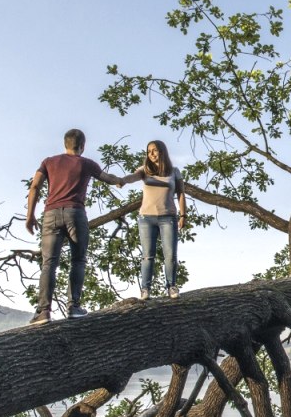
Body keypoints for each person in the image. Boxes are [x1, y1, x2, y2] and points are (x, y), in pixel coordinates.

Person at [24, 128, 130, 324]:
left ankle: (43, 311)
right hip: (76, 213)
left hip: (51, 214)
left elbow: (35, 186)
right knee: (78, 261)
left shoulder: (48, 162)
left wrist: (30, 215)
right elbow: (107, 178)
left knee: (49, 264)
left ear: (65, 144)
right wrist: (120, 181)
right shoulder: (87, 164)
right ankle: (73, 307)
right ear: (83, 146)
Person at [121, 140, 188, 298]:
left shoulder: (174, 171)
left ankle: (171, 286)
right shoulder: (145, 170)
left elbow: (181, 194)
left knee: (170, 255)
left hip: (168, 217)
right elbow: (133, 177)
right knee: (147, 255)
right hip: (146, 219)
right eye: (149, 151)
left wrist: (183, 215)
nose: (151, 154)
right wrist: (122, 180)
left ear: (162, 152)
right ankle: (145, 289)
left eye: (155, 150)